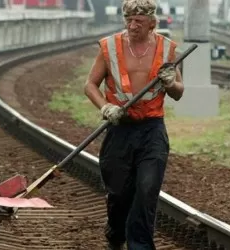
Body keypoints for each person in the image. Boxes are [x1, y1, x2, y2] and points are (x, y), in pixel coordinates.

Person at [83, 0, 184, 249]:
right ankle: (116, 234)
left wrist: (171, 83)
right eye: (128, 20)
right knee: (119, 194)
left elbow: (179, 92)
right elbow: (90, 85)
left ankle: (140, 245)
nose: (132, 25)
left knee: (147, 188)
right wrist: (106, 108)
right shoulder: (110, 47)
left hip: (152, 130)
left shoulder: (166, 49)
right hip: (120, 129)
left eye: (139, 21)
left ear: (152, 23)